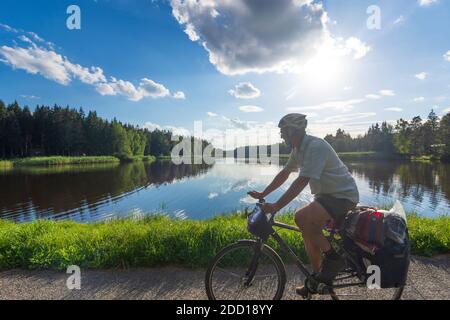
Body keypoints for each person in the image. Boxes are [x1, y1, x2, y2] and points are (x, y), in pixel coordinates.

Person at [248, 113, 359, 295]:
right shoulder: (298, 149)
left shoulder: (315, 147)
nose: (282, 135)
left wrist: (276, 206)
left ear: (294, 131)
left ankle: (333, 258)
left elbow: (302, 181)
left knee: (301, 217)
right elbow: (285, 173)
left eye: (284, 131)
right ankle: (319, 278)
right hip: (326, 196)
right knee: (306, 229)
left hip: (342, 196)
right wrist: (263, 193)